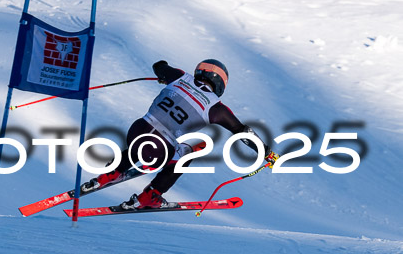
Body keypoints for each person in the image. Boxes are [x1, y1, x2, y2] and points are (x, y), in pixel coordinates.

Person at [81, 59, 279, 210]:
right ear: (220, 83)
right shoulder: (216, 109)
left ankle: (111, 172)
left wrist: (164, 76)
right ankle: (149, 196)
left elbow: (159, 65)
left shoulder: (180, 76)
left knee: (144, 143)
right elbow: (242, 132)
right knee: (188, 153)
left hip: (137, 130)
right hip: (159, 149)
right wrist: (265, 152)